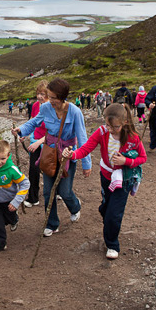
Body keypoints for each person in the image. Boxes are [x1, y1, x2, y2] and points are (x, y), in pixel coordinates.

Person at [63, 104, 146, 260]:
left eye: (114, 126)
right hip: (106, 176)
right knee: (106, 208)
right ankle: (106, 214)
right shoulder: (102, 132)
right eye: (107, 125)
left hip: (124, 179)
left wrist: (125, 161)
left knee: (114, 214)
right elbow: (86, 148)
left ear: (124, 123)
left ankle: (112, 244)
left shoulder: (133, 137)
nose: (110, 129)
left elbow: (143, 158)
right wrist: (72, 155)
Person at [12, 78, 91, 237]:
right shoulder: (46, 108)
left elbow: (82, 138)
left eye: (53, 97)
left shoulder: (74, 112)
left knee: (65, 191)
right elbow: (35, 122)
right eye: (50, 96)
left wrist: (86, 164)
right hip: (49, 153)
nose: (50, 101)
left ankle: (75, 207)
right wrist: (21, 130)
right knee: (48, 192)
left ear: (63, 97)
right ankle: (52, 223)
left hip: (67, 155)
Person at [23, 80, 49, 208]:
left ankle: (58, 190)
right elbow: (33, 122)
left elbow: (53, 131)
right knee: (33, 169)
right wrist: (24, 133)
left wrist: (40, 142)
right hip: (36, 139)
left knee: (51, 168)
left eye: (43, 94)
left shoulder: (54, 107)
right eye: (38, 93)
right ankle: (33, 197)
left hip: (50, 142)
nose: (40, 96)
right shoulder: (35, 106)